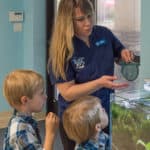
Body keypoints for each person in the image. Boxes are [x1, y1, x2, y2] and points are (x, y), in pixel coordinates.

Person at [48, 0, 134, 149]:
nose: (88, 23)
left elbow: (119, 52)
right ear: (67, 21)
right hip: (77, 120)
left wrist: (124, 54)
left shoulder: (103, 34)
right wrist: (99, 83)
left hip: (103, 113)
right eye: (80, 19)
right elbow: (68, 93)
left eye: (90, 16)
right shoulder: (62, 51)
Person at [3, 69, 59, 150]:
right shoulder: (20, 133)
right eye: (41, 93)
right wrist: (50, 134)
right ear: (25, 100)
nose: (45, 96)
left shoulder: (24, 119)